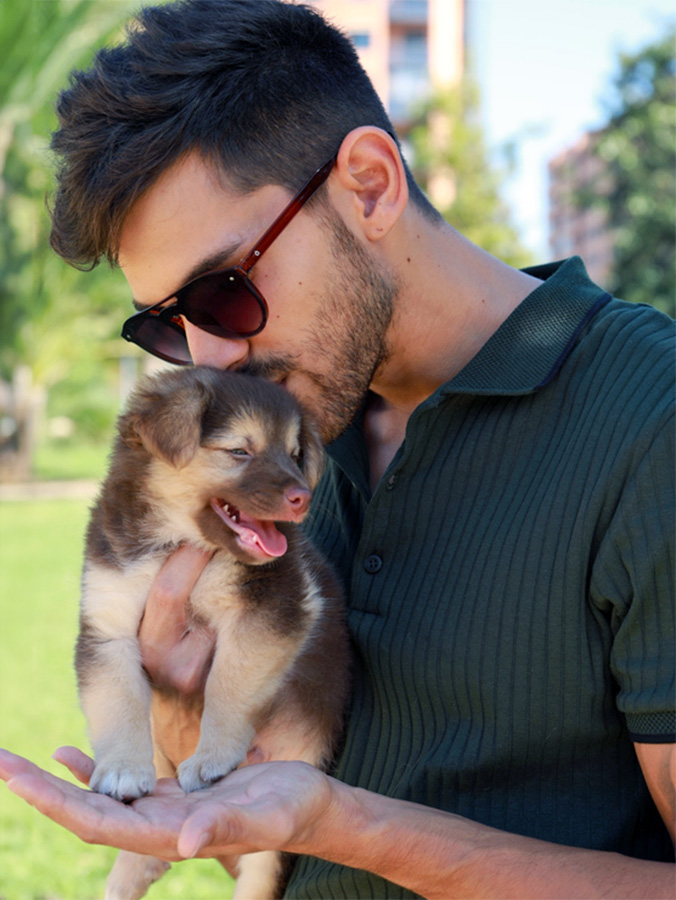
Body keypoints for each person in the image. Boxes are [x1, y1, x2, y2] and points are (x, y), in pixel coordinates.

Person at [1, 0, 674, 897]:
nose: (212, 359)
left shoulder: (650, 420)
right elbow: (266, 847)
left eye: (223, 292)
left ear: (367, 184)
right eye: (167, 326)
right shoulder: (289, 428)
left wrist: (347, 824)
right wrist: (183, 721)